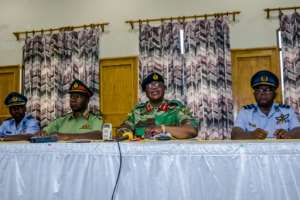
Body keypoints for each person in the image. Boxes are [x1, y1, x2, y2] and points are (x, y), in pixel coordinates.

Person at [117, 72, 198, 139]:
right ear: (145, 91)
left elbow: (191, 131)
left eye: (158, 85)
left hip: (171, 154)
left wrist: (163, 129)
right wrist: (125, 133)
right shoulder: (137, 111)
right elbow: (123, 129)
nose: (154, 88)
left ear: (164, 88)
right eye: (150, 86)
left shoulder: (176, 108)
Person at [231, 70, 300, 139]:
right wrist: (251, 135)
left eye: (268, 90)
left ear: (274, 94)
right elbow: (235, 134)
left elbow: (298, 131)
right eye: (259, 90)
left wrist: (289, 134)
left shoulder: (287, 111)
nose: (263, 93)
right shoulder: (245, 112)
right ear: (254, 94)